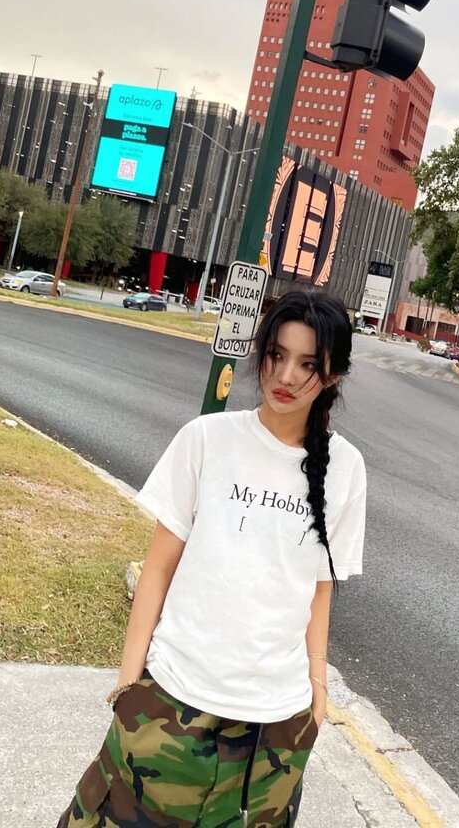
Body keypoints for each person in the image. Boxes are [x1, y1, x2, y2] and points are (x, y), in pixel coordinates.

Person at [57, 289, 367, 828]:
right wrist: (129, 684)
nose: (285, 376)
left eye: (307, 364)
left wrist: (318, 694)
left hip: (276, 726)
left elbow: (320, 588)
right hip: (174, 698)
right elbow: (158, 569)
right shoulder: (206, 439)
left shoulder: (347, 468)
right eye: (277, 355)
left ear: (334, 374)